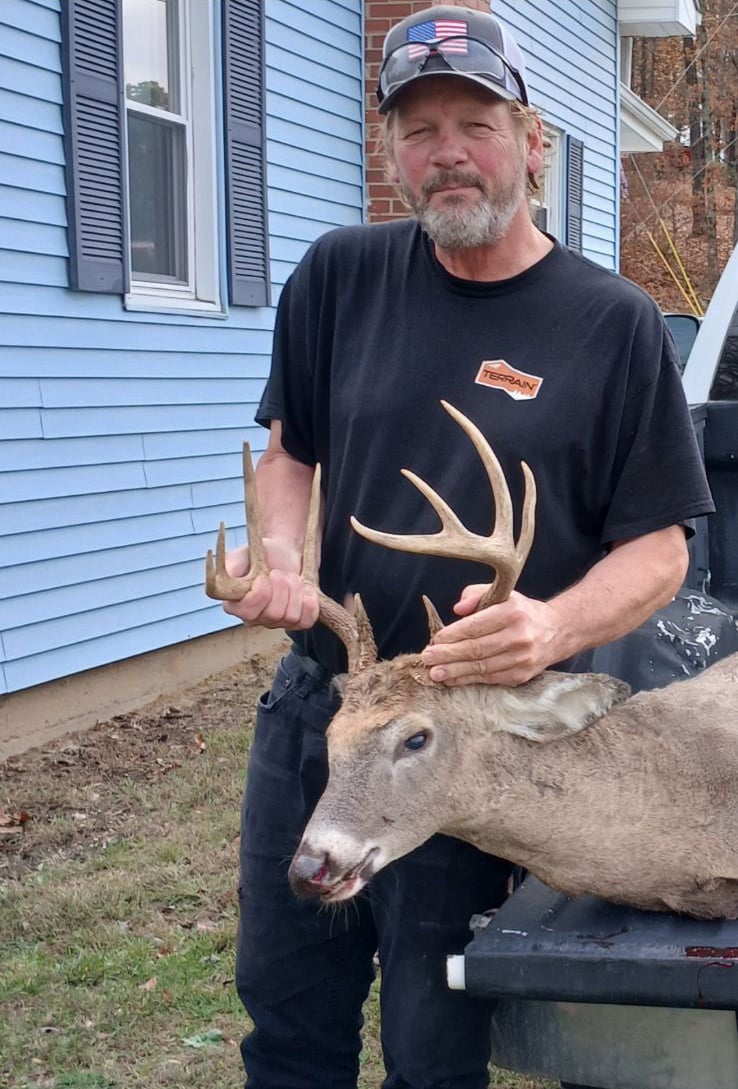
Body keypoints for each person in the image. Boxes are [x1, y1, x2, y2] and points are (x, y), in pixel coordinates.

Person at [220, 6, 714, 1088]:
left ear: (532, 139)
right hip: (331, 704)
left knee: (433, 1047)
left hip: (479, 739)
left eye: (475, 123)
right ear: (391, 150)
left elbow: (662, 550)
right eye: (418, 129)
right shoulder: (338, 276)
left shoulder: (613, 323)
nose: (446, 153)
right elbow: (288, 448)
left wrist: (553, 624)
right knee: (288, 1020)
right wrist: (282, 555)